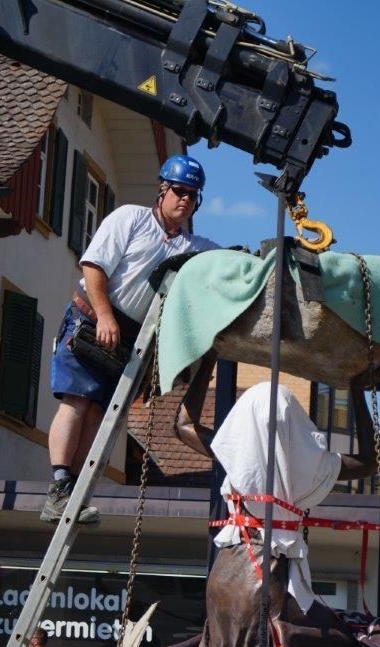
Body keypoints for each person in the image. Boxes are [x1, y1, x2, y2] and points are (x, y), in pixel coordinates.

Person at [41, 155, 219, 524]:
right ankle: (58, 485)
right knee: (76, 401)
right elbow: (93, 266)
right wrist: (105, 314)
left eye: (193, 195)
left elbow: (222, 264)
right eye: (180, 191)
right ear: (163, 190)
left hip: (128, 338)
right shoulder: (130, 219)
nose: (185, 200)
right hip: (91, 320)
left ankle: (72, 492)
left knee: (97, 413)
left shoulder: (191, 246)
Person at [174, 363, 380, 647]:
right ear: (296, 425)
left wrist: (208, 361)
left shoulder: (236, 454)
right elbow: (370, 461)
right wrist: (355, 390)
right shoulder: (311, 467)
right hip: (269, 575)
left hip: (226, 573)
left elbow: (184, 425)